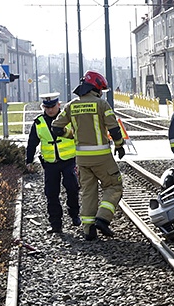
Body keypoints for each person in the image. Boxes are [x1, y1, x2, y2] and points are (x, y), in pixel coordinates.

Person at [51, 70, 125, 241]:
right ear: (97, 88)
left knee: (88, 192)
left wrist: (73, 134)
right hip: (102, 157)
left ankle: (88, 230)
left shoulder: (71, 106)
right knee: (114, 186)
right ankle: (103, 218)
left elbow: (56, 128)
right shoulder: (101, 104)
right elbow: (113, 128)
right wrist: (120, 145)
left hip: (82, 159)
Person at [25, 94, 80, 234]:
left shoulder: (68, 119)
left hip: (69, 161)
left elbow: (78, 137)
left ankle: (74, 215)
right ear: (43, 107)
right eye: (47, 107)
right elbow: (32, 143)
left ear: (59, 105)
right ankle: (55, 224)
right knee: (51, 193)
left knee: (72, 188)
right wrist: (29, 161)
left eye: (52, 107)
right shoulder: (38, 123)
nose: (50, 110)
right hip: (50, 164)